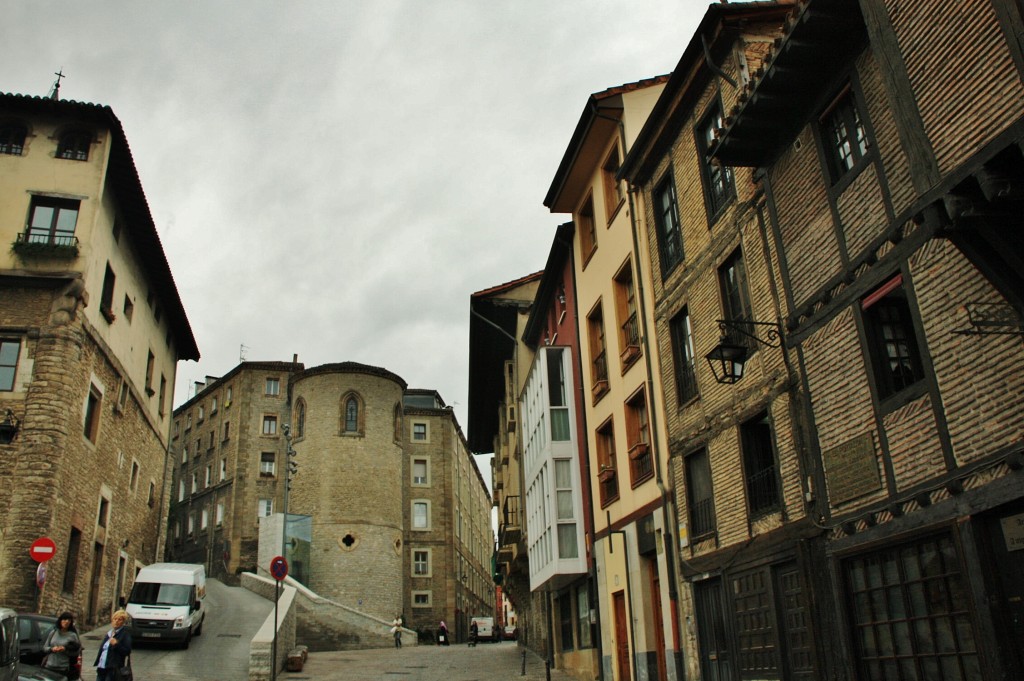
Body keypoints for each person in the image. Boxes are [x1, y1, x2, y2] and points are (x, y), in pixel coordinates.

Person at [93, 610, 132, 681]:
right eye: (115, 619)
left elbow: (127, 651)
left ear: (123, 622)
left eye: (119, 619)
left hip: (113, 669)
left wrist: (116, 644)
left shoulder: (125, 634)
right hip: (102, 667)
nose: (116, 621)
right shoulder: (109, 634)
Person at [43, 612, 81, 680]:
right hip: (49, 666)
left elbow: (76, 652)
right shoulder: (53, 632)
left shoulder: (72, 635)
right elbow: (45, 648)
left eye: (69, 620)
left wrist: (64, 649)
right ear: (60, 620)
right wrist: (52, 649)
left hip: (63, 668)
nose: (66, 622)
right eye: (64, 619)